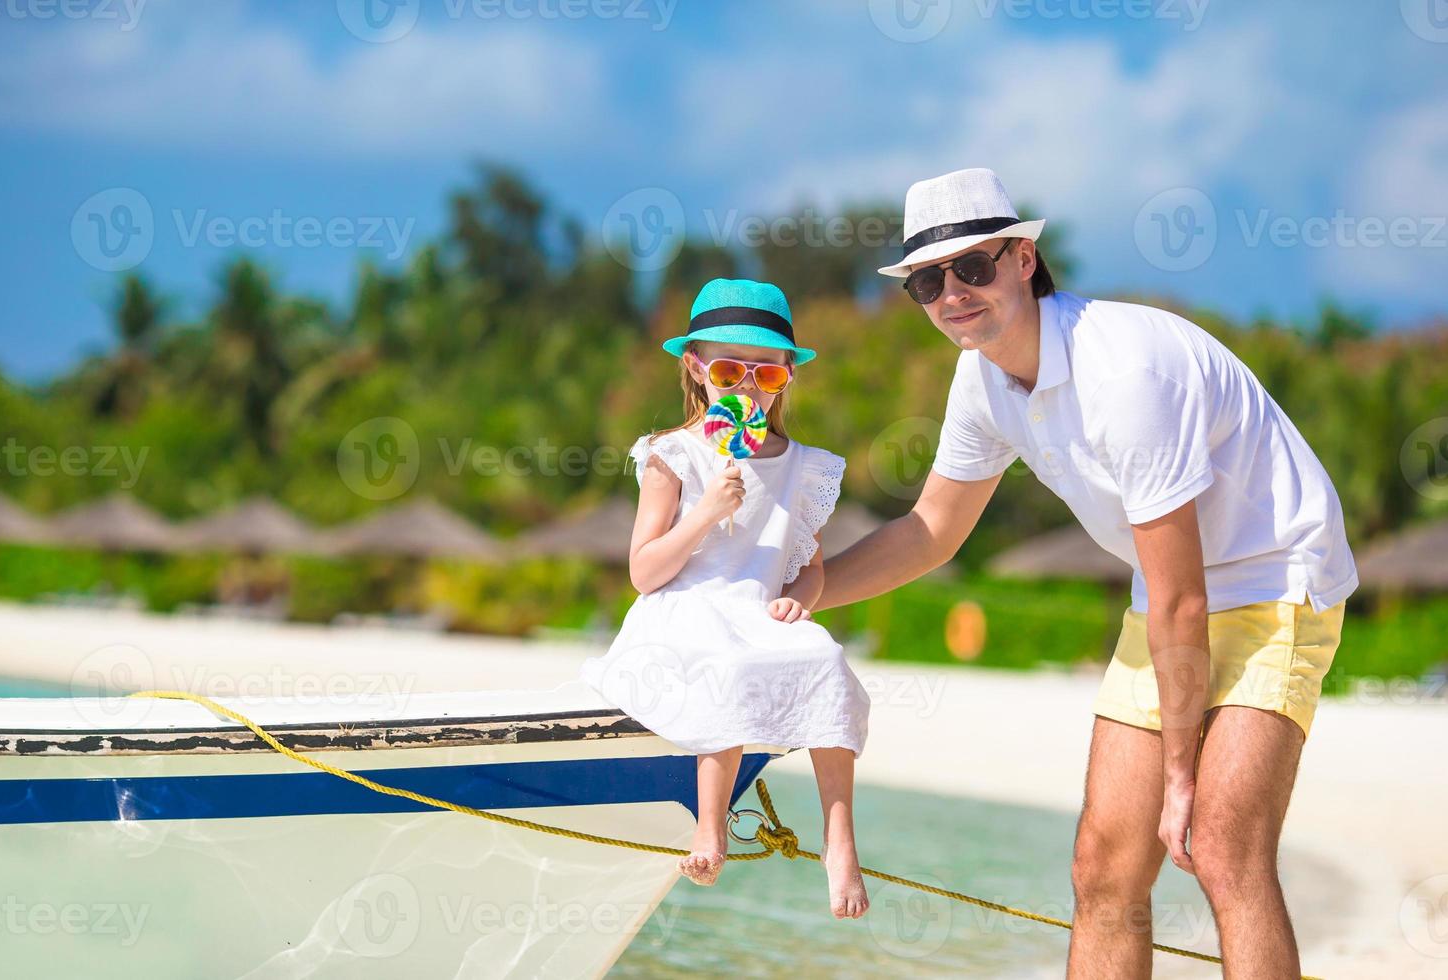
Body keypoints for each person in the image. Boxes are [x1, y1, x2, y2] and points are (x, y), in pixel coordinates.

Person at [818, 168, 1357, 975]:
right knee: (1104, 868)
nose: (954, 294)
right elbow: (930, 532)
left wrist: (1182, 776)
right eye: (929, 281)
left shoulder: (1126, 375)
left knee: (1220, 844)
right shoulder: (983, 380)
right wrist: (799, 593)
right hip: (1168, 593)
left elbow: (1183, 599)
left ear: (1025, 259)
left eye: (974, 266)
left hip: (1276, 577)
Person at [580, 278, 872, 919]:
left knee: (825, 659)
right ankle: (710, 830)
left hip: (758, 610)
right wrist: (705, 513)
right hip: (683, 609)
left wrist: (803, 597)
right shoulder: (673, 455)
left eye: (766, 374)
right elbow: (643, 571)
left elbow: (811, 565)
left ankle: (840, 839)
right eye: (729, 369)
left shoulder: (803, 467)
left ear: (787, 377)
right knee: (729, 668)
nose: (746, 387)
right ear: (695, 367)